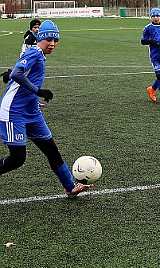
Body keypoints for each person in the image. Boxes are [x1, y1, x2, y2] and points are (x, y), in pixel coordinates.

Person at [0, 20, 92, 198]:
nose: (52, 44)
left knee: (51, 150)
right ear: (40, 38)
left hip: (32, 112)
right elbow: (16, 74)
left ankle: (69, 187)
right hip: (13, 111)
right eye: (49, 39)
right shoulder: (35, 52)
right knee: (17, 159)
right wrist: (38, 91)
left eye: (55, 40)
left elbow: (19, 72)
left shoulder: (39, 54)